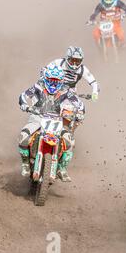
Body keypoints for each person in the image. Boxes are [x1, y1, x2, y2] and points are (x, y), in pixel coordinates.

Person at [38, 46, 98, 181]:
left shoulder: (83, 69)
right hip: (53, 90)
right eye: (72, 60)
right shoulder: (58, 63)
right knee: (41, 110)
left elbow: (93, 82)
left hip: (69, 95)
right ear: (67, 58)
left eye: (78, 61)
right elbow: (44, 71)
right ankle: (34, 135)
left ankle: (67, 135)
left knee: (76, 114)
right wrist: (43, 82)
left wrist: (95, 92)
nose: (75, 64)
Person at [18, 63, 85, 182]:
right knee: (23, 136)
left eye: (57, 80)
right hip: (37, 117)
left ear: (61, 80)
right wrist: (24, 104)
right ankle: (25, 164)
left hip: (56, 120)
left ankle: (62, 168)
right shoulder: (38, 86)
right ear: (46, 78)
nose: (54, 83)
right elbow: (24, 95)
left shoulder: (66, 90)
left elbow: (79, 103)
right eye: (51, 80)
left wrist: (80, 112)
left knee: (70, 141)